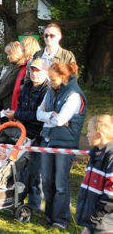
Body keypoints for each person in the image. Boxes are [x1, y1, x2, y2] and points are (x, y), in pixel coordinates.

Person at [37, 62, 87, 229]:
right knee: (47, 181)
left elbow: (61, 120)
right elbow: (40, 114)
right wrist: (51, 114)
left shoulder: (74, 95)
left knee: (60, 183)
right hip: (47, 140)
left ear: (64, 77)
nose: (50, 83)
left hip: (65, 143)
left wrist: (51, 117)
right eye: (49, 79)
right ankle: (49, 216)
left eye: (52, 79)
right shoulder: (50, 91)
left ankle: (61, 220)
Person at [4, 58, 49, 213]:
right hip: (23, 132)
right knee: (20, 168)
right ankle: (17, 200)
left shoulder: (47, 90)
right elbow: (22, 106)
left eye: (38, 71)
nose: (34, 74)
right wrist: (16, 115)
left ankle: (35, 204)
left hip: (39, 134)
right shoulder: (27, 86)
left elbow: (38, 115)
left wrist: (17, 113)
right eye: (32, 70)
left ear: (46, 72)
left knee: (36, 171)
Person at [76, 114, 113, 234]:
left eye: (89, 132)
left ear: (99, 135)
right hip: (93, 223)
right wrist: (88, 224)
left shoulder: (110, 157)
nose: (86, 135)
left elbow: (110, 194)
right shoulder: (95, 154)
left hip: (104, 226)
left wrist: (94, 217)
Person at [0, 41, 25, 113]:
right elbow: (1, 82)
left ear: (16, 53)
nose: (7, 57)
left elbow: (7, 86)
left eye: (9, 54)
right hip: (4, 104)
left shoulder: (19, 68)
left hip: (10, 106)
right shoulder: (12, 66)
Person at [11, 36, 40, 110]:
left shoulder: (32, 64)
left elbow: (29, 86)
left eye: (22, 47)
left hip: (24, 107)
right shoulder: (24, 64)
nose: (20, 50)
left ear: (27, 48)